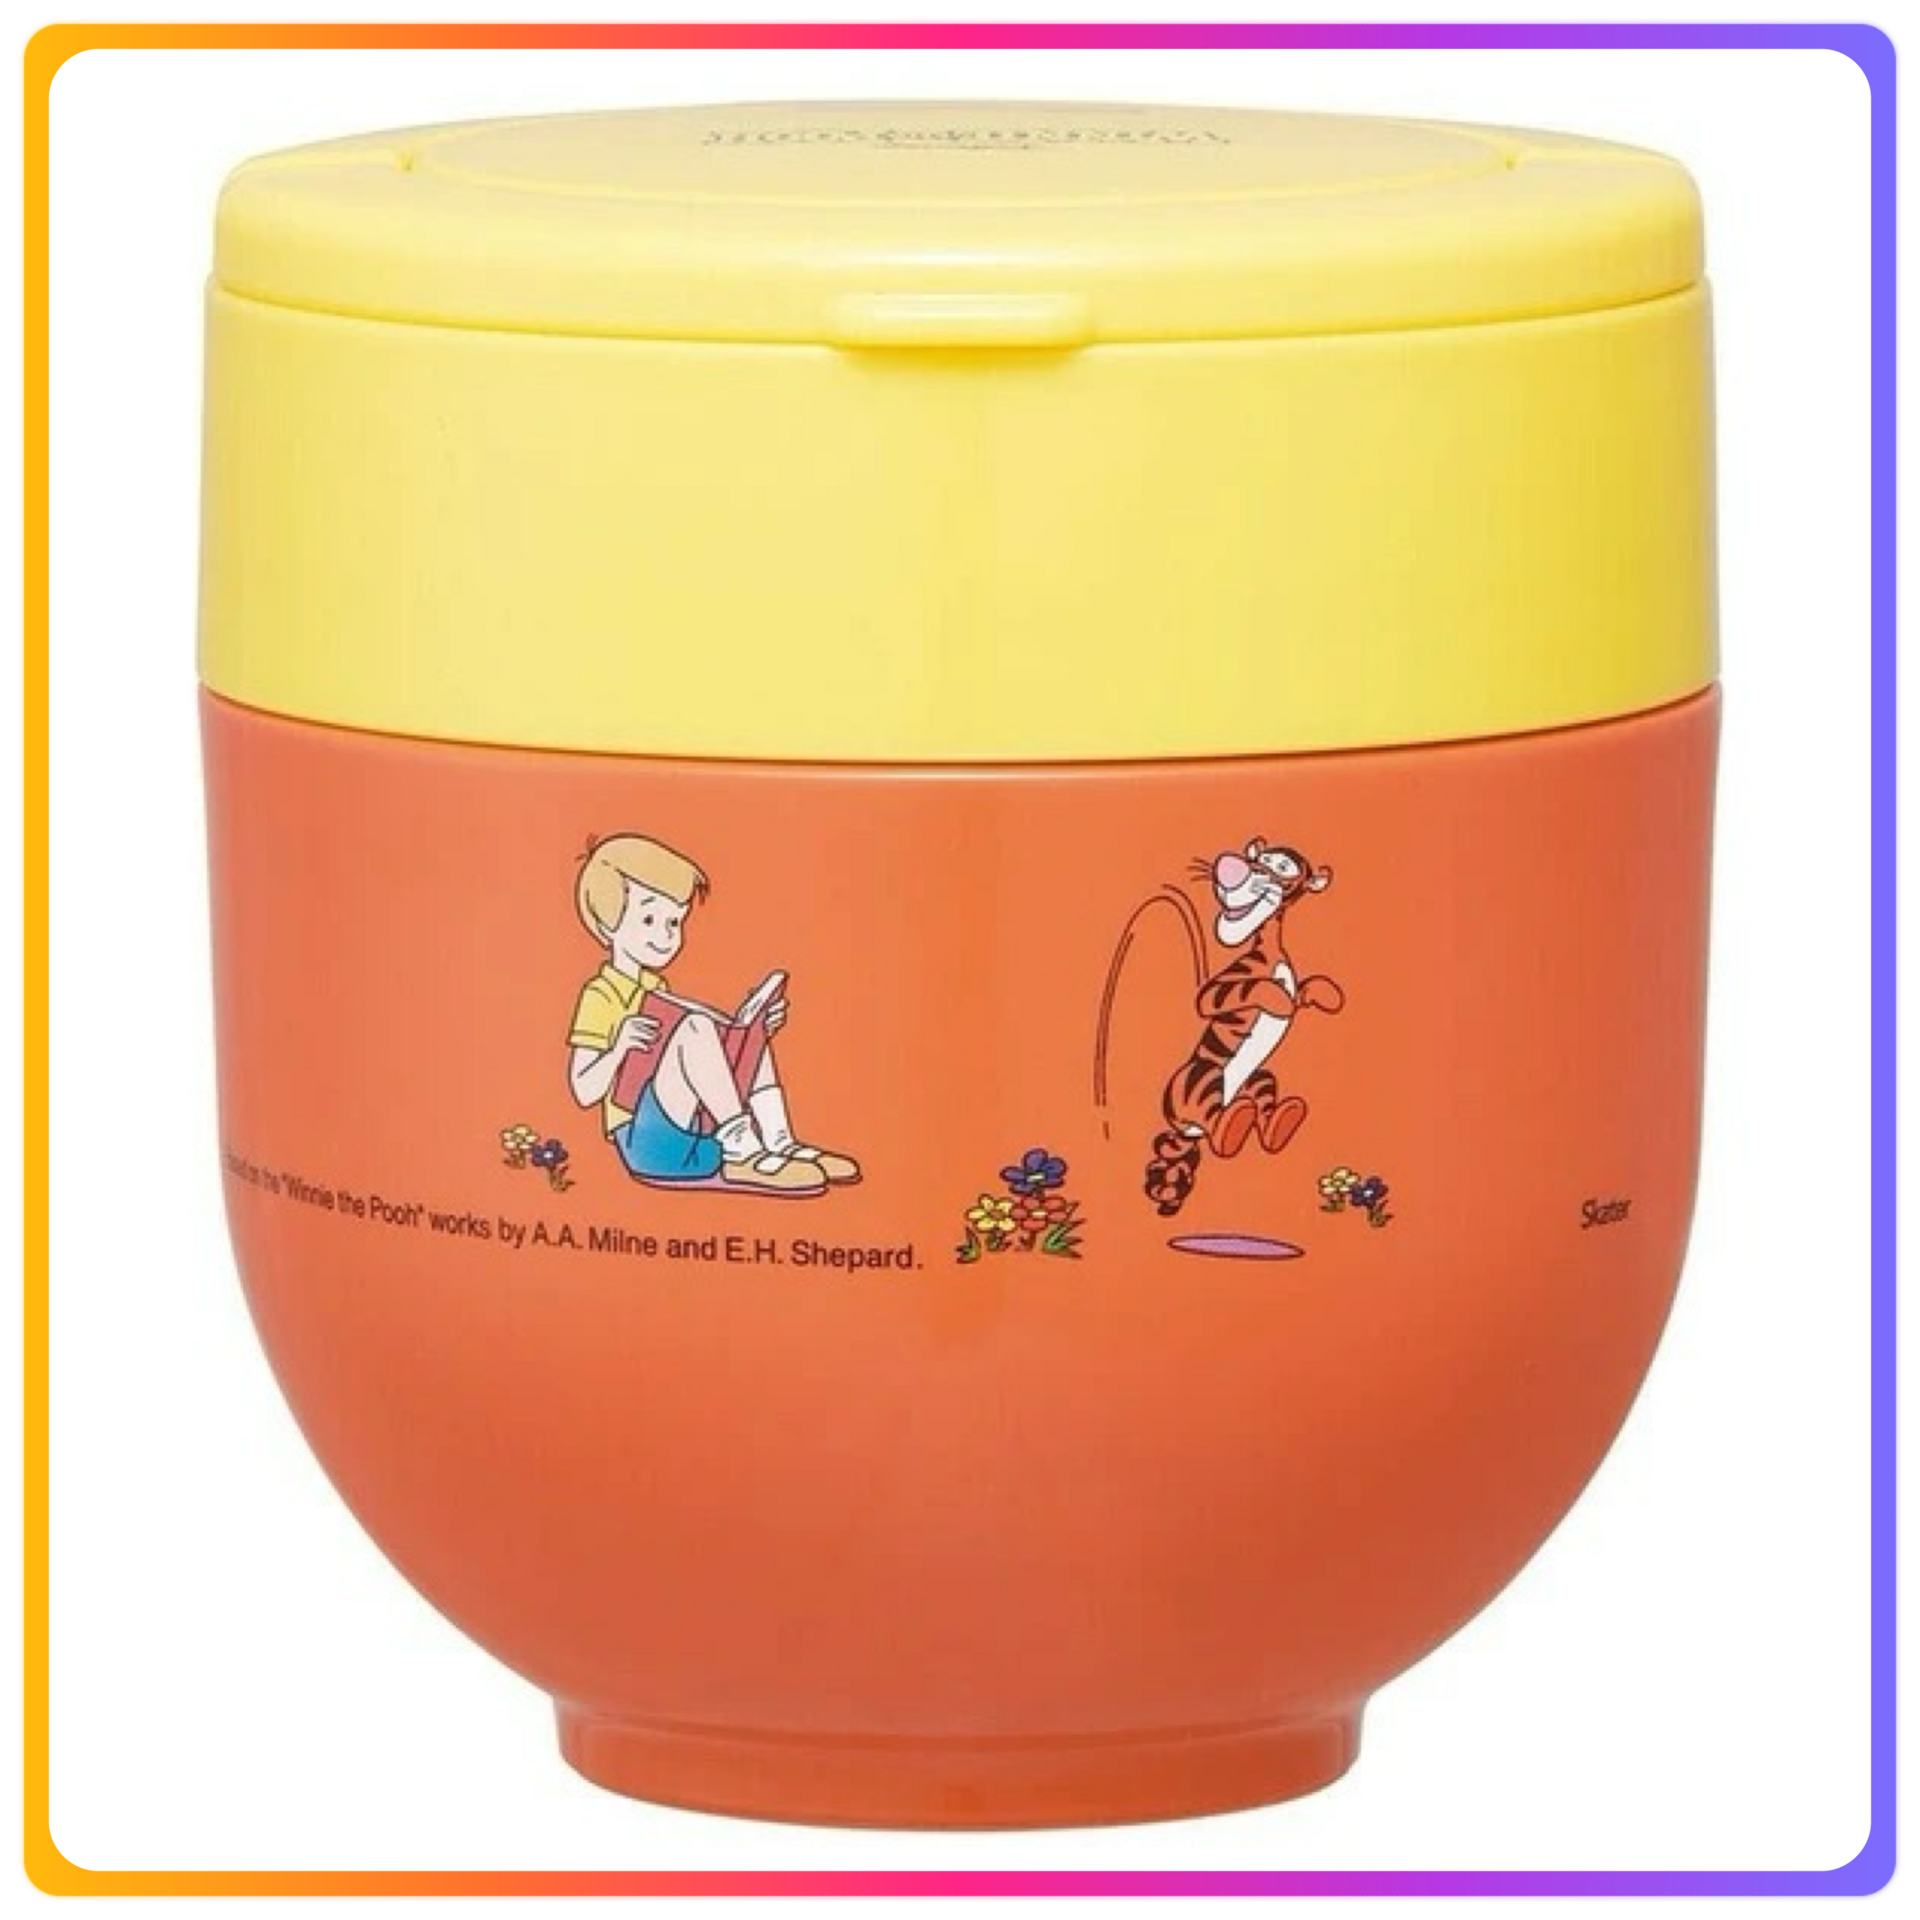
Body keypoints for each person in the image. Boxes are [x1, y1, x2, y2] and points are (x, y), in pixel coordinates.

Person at [565, 834, 860, 1196]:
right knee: (696, 1028)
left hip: (694, 1133)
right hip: (645, 1143)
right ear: (607, 924)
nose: (665, 936)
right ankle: (744, 1151)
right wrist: (619, 1047)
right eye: (649, 918)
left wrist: (749, 1036)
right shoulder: (600, 995)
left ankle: (779, 1142)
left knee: (750, 1032)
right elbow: (583, 1091)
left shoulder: (655, 988)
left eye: (674, 922)